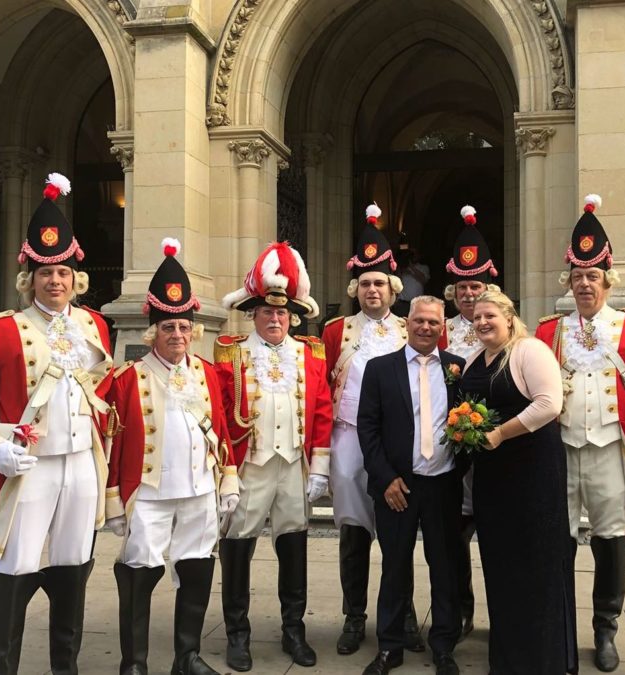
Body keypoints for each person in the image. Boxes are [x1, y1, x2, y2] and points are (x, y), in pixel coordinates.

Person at [0, 173, 114, 675]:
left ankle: (65, 667)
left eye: (63, 272)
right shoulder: (2, 331)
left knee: (73, 570)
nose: (56, 281)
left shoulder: (94, 326)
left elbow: (100, 392)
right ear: (30, 278)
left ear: (75, 277)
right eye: (46, 274)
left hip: (83, 465)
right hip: (30, 468)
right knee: (15, 569)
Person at [100, 239, 237, 675]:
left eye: (182, 327)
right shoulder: (128, 377)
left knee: (197, 573)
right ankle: (134, 662)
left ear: (193, 330)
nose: (177, 335)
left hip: (199, 491)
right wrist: (114, 499)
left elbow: (221, 431)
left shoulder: (208, 374)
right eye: (168, 328)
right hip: (150, 494)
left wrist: (228, 479)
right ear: (152, 333)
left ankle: (188, 657)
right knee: (139, 575)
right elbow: (112, 442)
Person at [534, 194, 625, 672]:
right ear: (568, 281)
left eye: (592, 277)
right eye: (577, 277)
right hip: (560, 450)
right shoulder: (549, 331)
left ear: (607, 281)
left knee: (610, 540)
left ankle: (606, 627)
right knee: (557, 541)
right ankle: (559, 625)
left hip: (610, 448)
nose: (584, 284)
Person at [214, 241, 333, 672]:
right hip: (251, 465)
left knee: (294, 544)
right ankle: (237, 634)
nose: (276, 319)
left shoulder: (310, 353)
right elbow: (221, 413)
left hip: (293, 466)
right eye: (267, 312)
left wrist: (320, 467)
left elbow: (322, 410)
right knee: (237, 546)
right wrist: (226, 473)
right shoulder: (231, 352)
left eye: (283, 313)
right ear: (254, 314)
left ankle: (293, 630)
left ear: (292, 316)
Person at [321, 204, 424, 655]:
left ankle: (401, 615)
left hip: (394, 444)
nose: (372, 290)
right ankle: (354, 616)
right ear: (355, 289)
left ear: (393, 287)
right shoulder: (334, 331)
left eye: (379, 282)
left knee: (398, 534)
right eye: (364, 283)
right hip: (346, 440)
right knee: (353, 532)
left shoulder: (409, 330)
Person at [458, 290, 578, 675]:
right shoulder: (476, 358)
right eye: (476, 318)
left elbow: (548, 404)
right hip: (493, 477)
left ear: (509, 317)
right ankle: (506, 657)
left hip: (533, 473)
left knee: (536, 561)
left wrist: (499, 435)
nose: (481, 323)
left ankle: (542, 660)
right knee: (500, 562)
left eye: (489, 315)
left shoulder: (530, 350)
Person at [356, 296, 467, 675]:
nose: (425, 328)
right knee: (395, 567)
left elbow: (468, 426)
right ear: (408, 323)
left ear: (442, 327)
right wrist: (385, 478)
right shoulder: (379, 369)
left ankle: (443, 646)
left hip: (442, 485)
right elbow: (367, 430)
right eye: (419, 320)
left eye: (433, 323)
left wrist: (457, 468)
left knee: (445, 567)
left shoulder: (457, 368)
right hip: (397, 487)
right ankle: (390, 646)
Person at [436, 204, 501, 639]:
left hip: (494, 449)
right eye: (461, 286)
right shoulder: (435, 330)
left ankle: (505, 615)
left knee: (498, 539)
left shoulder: (505, 329)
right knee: (454, 542)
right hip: (449, 450)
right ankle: (461, 609)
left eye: (475, 285)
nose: (467, 293)